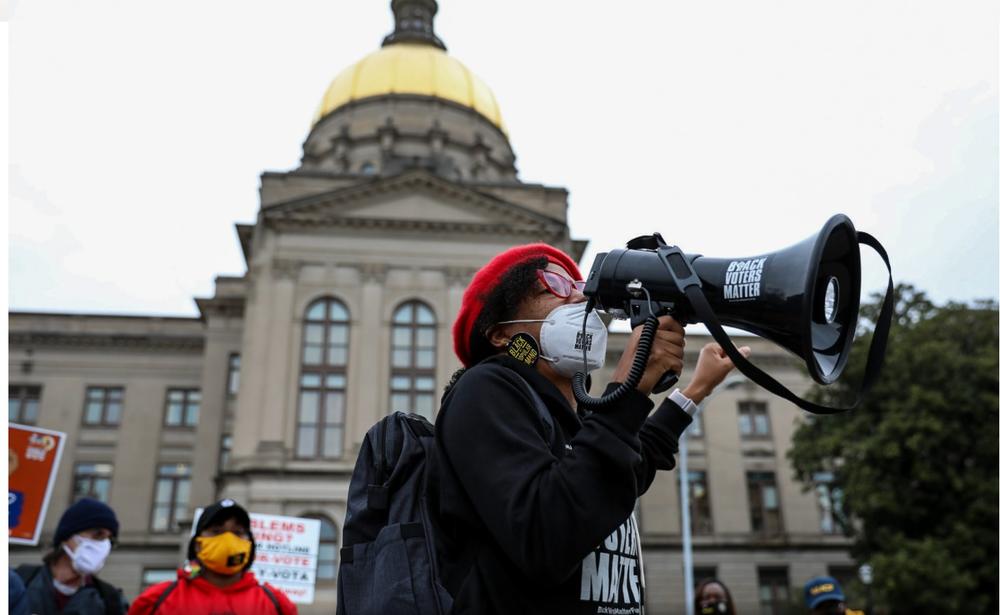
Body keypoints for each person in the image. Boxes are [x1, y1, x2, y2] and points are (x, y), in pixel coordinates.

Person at [427, 243, 749, 615]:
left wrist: (695, 390)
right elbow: (546, 535)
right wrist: (630, 386)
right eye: (554, 285)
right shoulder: (485, 390)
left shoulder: (571, 415)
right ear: (501, 334)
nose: (580, 295)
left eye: (580, 285)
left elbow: (628, 468)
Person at [127, 498, 296, 615]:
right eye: (216, 531)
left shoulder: (276, 604)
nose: (228, 539)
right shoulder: (156, 599)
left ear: (249, 544)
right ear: (198, 544)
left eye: (238, 532)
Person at [16, 497, 128, 615]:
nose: (104, 545)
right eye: (98, 534)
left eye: (110, 540)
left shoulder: (110, 600)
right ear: (67, 537)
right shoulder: (20, 582)